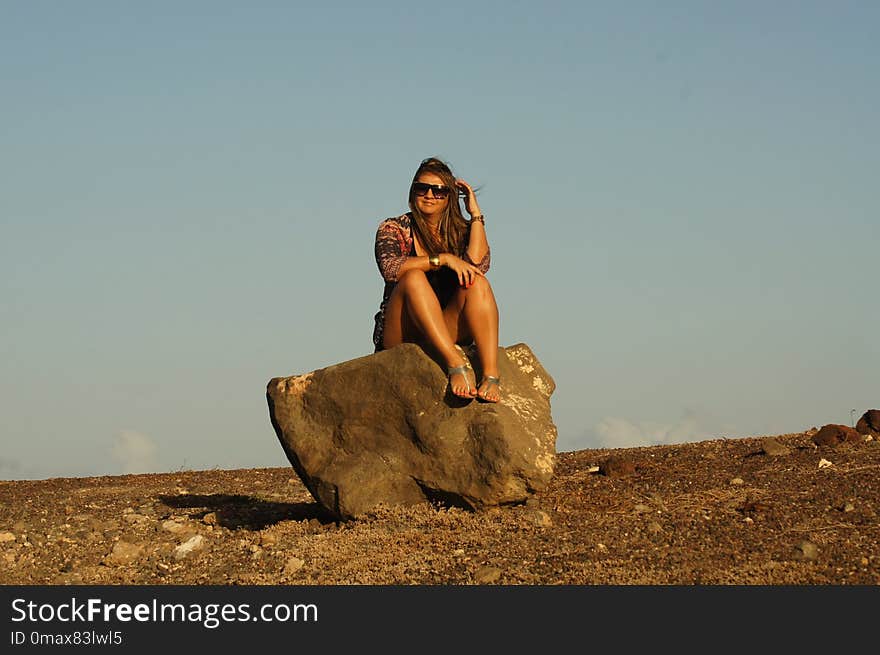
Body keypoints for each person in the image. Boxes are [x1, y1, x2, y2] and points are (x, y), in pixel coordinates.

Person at [372, 157, 501, 403]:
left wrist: (475, 216)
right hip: (403, 332)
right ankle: (455, 364)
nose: (429, 194)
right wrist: (441, 259)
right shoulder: (394, 228)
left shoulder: (460, 231)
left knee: (479, 283)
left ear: (450, 197)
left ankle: (491, 375)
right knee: (413, 279)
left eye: (439, 190)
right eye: (422, 188)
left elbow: (478, 266)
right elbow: (390, 268)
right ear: (413, 191)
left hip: (446, 325)